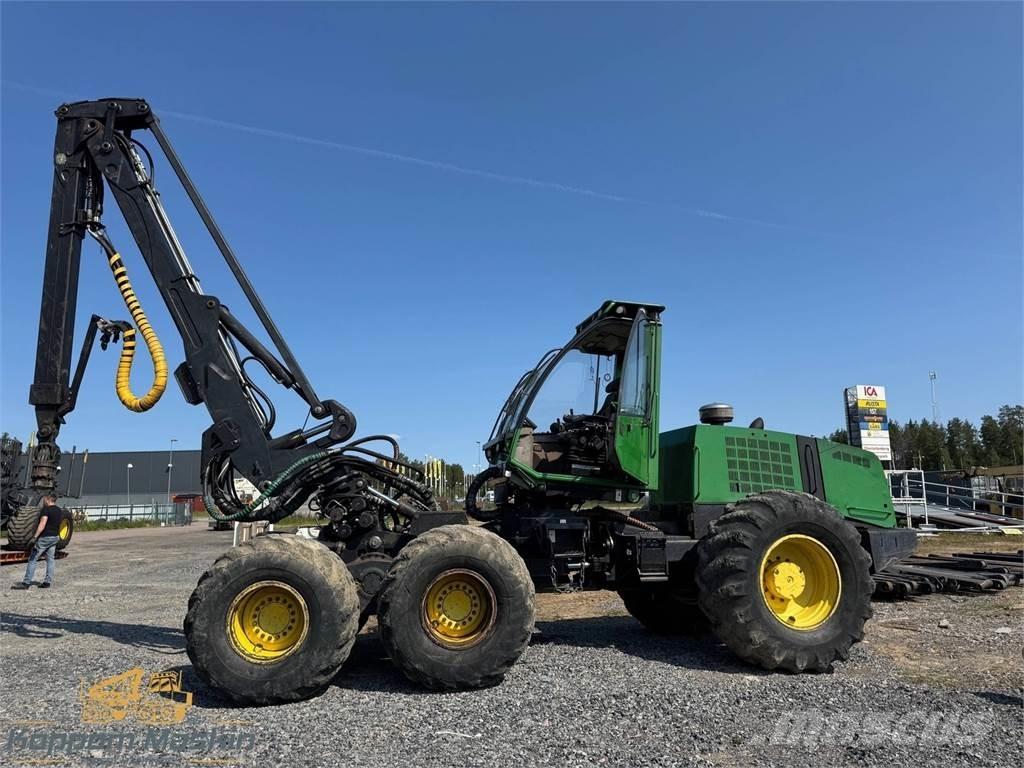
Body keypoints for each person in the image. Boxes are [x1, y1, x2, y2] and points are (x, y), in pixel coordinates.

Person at [11, 494, 64, 590]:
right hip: (55, 537)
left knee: (32, 559)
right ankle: (47, 582)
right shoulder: (59, 510)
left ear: (48, 499)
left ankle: (26, 583)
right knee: (50, 559)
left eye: (44, 499)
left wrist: (34, 537)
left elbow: (42, 524)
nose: (43, 501)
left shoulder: (46, 509)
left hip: (45, 538)